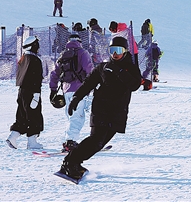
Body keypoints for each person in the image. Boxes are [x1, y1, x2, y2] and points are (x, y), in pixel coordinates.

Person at [58, 36, 142, 180]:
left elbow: (134, 85)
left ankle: (74, 163)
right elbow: (88, 83)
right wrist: (76, 98)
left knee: (99, 144)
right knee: (96, 140)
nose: (114, 54)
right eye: (112, 50)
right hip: (101, 109)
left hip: (117, 113)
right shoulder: (103, 68)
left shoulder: (131, 69)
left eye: (118, 50)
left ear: (125, 51)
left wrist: (119, 71)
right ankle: (70, 163)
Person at [49, 33, 94, 152]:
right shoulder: (83, 53)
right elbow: (89, 69)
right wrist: (95, 83)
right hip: (80, 89)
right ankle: (70, 141)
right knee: (77, 117)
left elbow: (54, 73)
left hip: (66, 90)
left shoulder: (63, 54)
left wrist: (53, 89)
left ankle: (69, 140)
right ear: (79, 41)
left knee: (71, 116)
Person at [6, 37, 45, 149]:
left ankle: (13, 137)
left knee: (22, 115)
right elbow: (36, 78)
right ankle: (32, 142)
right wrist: (36, 94)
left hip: (22, 91)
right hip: (31, 91)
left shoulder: (23, 58)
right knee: (34, 115)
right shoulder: (35, 60)